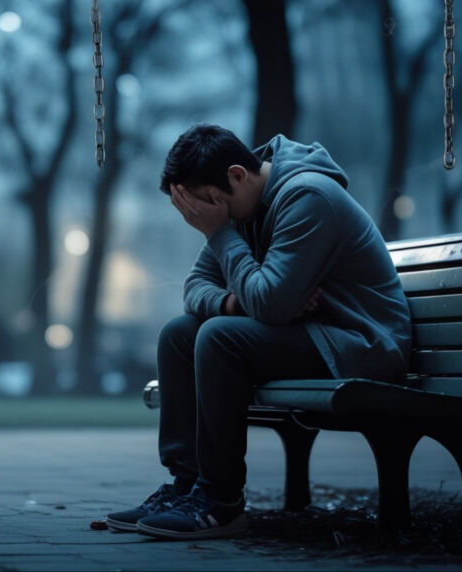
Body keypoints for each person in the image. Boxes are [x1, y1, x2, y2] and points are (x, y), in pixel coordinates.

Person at [106, 124, 412, 540]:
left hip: (359, 342)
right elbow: (195, 289)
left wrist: (221, 237)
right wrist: (236, 301)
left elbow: (270, 303)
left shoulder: (307, 197)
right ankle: (185, 487)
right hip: (311, 333)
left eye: (211, 206)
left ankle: (221, 500)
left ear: (236, 175)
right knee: (180, 334)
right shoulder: (240, 205)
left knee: (219, 337)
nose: (209, 217)